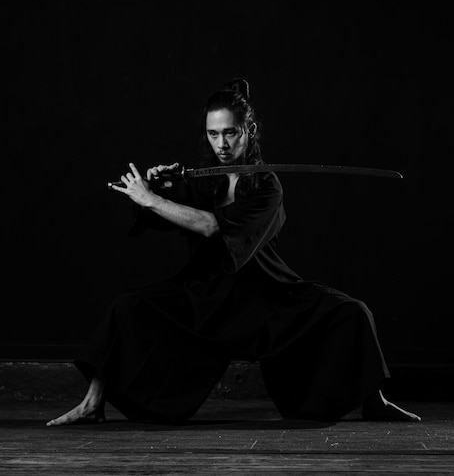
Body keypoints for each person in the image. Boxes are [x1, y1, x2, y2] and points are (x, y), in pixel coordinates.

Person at [47, 79, 420, 426]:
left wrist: (153, 199)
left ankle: (375, 402)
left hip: (265, 294)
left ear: (248, 132)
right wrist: (153, 190)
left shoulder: (267, 187)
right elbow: (163, 215)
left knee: (352, 311)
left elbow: (213, 227)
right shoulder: (201, 179)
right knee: (126, 307)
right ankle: (94, 402)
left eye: (230, 133)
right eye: (213, 134)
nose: (222, 144)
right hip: (207, 293)